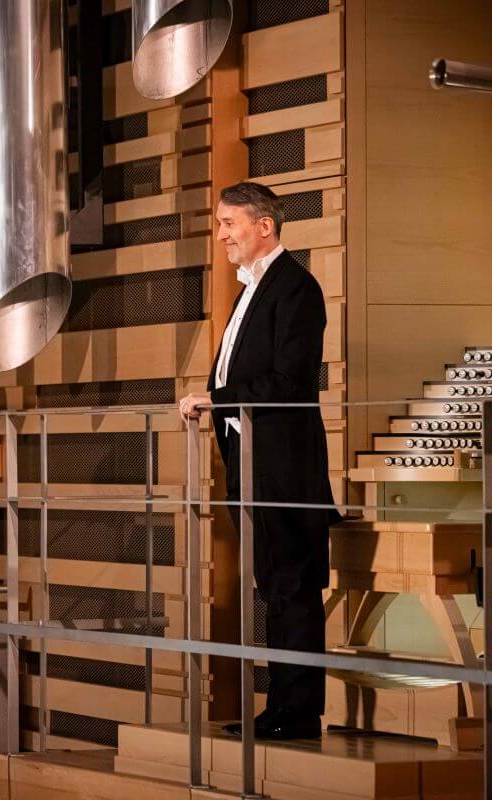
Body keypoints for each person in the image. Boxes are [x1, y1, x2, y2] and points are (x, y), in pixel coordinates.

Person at [179, 181, 341, 741]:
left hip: (284, 468)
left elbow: (290, 381)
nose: (221, 234)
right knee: (274, 586)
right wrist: (212, 398)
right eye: (220, 224)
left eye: (229, 223)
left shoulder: (296, 287)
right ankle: (281, 709)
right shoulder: (253, 289)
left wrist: (214, 398)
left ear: (263, 226)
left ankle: (296, 714)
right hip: (251, 463)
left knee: (292, 588)